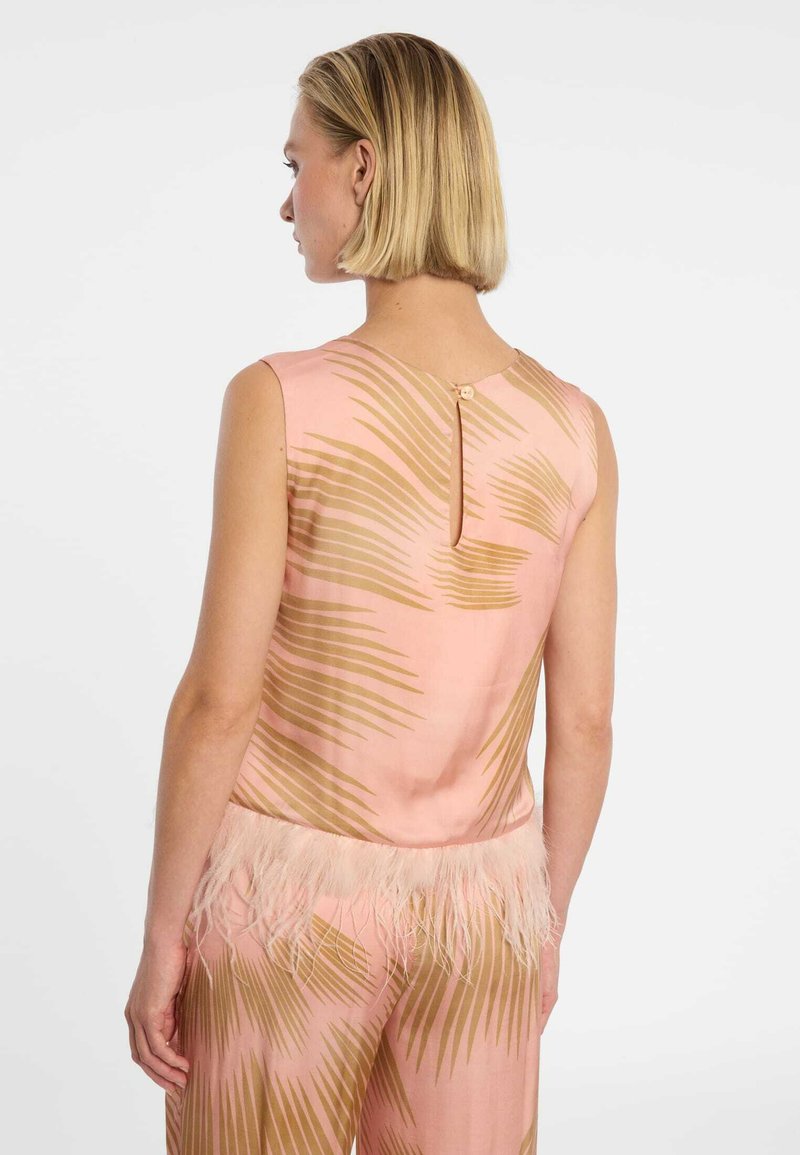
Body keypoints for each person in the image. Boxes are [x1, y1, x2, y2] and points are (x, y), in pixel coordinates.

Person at [125, 31, 617, 1155]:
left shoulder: (280, 400)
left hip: (287, 911)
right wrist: (541, 921)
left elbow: (219, 700)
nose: (285, 202)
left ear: (364, 166)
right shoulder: (573, 428)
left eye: (294, 163)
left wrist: (162, 934)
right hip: (483, 918)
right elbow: (585, 719)